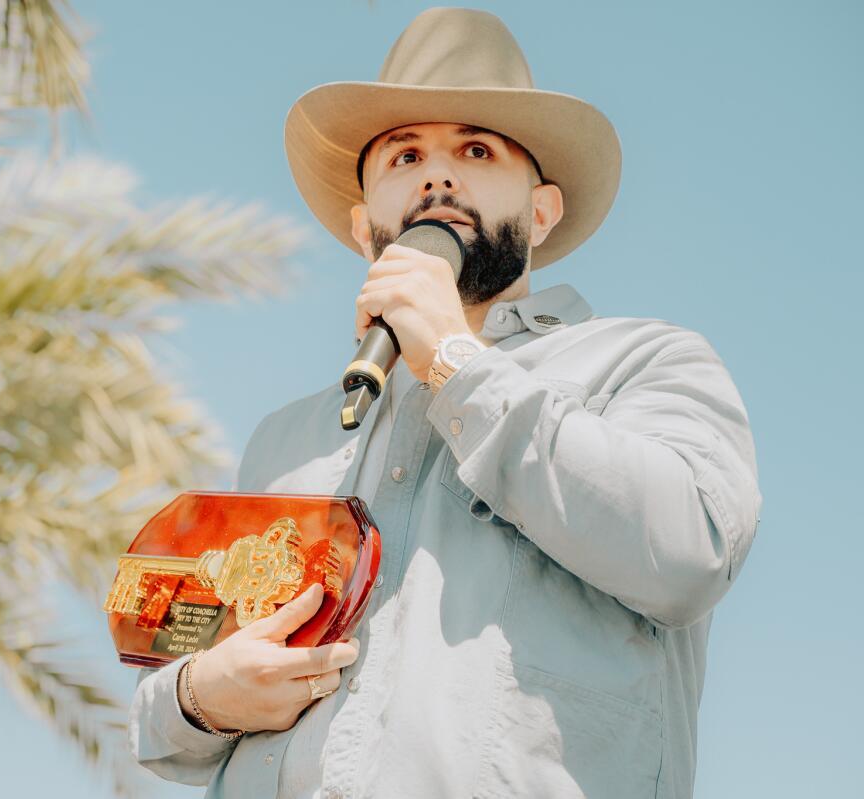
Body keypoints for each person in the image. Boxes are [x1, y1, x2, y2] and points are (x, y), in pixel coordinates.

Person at [128, 8, 762, 799]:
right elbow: (163, 713)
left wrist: (456, 365)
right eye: (404, 153)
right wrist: (200, 698)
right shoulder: (287, 440)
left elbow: (689, 550)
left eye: (476, 149)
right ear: (365, 229)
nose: (438, 176)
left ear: (541, 211)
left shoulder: (643, 363)